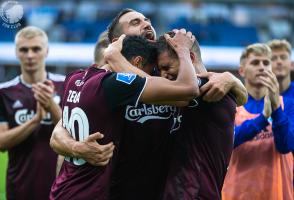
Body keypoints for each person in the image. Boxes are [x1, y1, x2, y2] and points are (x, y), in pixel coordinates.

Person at [50, 8, 247, 200]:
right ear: (119, 42)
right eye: (136, 23)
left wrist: (232, 81)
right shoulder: (111, 83)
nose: (146, 24)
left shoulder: (167, 75)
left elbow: (217, 98)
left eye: (147, 21)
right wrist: (76, 147)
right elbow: (59, 132)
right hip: (117, 191)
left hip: (165, 191)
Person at [50, 31, 199, 199]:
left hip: (63, 188)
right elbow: (188, 91)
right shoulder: (116, 84)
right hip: (87, 191)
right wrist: (183, 51)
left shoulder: (74, 78)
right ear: (137, 62)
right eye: (151, 71)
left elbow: (60, 133)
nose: (152, 75)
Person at [152, 32, 239, 200]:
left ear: (189, 57)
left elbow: (145, 85)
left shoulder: (209, 89)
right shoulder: (216, 87)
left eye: (166, 67)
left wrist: (116, 59)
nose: (163, 75)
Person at [222, 43, 294, 200]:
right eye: (255, 63)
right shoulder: (230, 106)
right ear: (242, 70)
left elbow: (286, 146)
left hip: (277, 194)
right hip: (237, 194)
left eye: (266, 63)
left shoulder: (288, 104)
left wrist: (275, 110)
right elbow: (228, 142)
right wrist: (263, 118)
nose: (262, 67)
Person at [0, 26, 64, 199]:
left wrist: (51, 106)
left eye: (36, 49)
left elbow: (74, 133)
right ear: (16, 52)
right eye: (24, 49)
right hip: (19, 187)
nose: (30, 55)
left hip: (60, 187)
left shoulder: (66, 85)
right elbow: (1, 142)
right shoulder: (4, 92)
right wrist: (35, 120)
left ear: (47, 51)